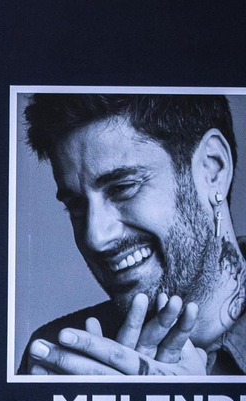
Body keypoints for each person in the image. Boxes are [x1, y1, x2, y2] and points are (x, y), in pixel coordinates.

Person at [20, 93, 245, 376]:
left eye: (123, 187)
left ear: (213, 168)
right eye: (76, 205)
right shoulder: (58, 357)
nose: (95, 237)